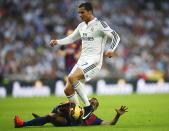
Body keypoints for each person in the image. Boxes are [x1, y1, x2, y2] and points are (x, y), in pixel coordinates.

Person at [50, 2, 120, 119]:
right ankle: (78, 114)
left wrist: (111, 49)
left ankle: (88, 107)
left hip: (94, 61)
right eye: (79, 13)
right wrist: (58, 41)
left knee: (72, 78)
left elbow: (116, 36)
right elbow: (72, 38)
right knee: (67, 90)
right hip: (82, 60)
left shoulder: (100, 24)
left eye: (82, 12)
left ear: (90, 12)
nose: (80, 15)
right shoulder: (81, 26)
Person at [14, 98, 128, 128]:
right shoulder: (77, 107)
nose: (92, 104)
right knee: (54, 113)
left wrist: (118, 115)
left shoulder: (93, 118)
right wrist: (63, 109)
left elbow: (110, 123)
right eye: (91, 102)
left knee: (49, 117)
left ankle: (25, 123)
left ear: (95, 108)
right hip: (66, 121)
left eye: (94, 104)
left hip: (71, 124)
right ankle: (38, 121)